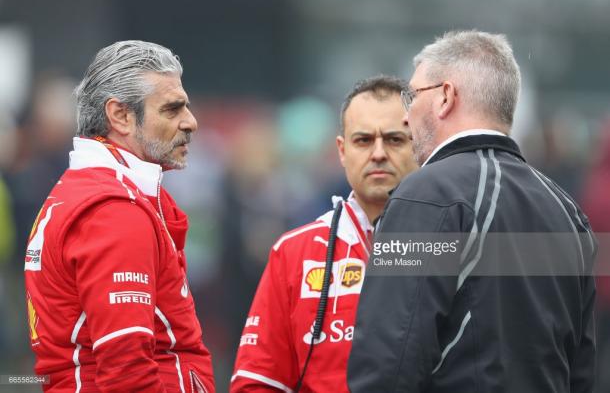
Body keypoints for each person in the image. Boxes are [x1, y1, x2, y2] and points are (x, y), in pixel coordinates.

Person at [348, 31, 597, 392]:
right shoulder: (567, 211)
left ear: (446, 96)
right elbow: (583, 371)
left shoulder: (423, 196)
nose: (405, 116)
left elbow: (388, 362)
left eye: (411, 96)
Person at [24, 40, 215, 392]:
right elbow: (127, 371)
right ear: (121, 116)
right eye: (172, 109)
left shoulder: (90, 192)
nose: (191, 122)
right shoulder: (114, 209)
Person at [230, 75, 418, 392]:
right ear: (342, 151)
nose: (378, 153)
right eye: (363, 140)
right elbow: (258, 381)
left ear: (421, 146)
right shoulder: (293, 251)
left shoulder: (455, 244)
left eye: (395, 139)